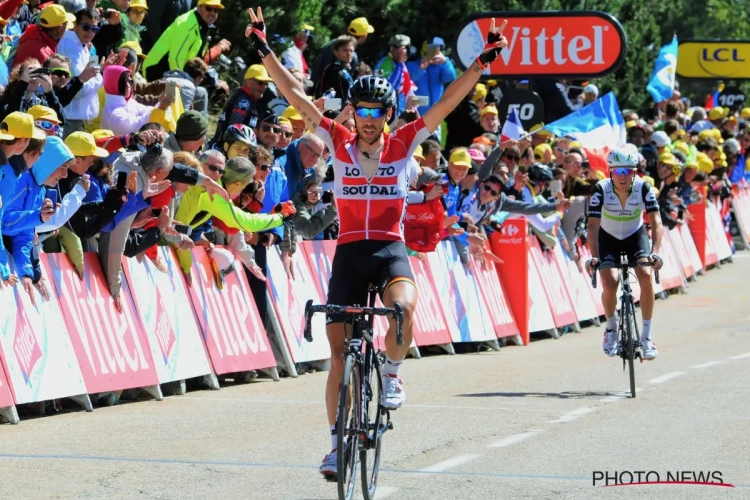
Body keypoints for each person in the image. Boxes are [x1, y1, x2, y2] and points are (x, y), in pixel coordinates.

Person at [246, 7, 509, 476]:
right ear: (355, 112)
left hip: (390, 248)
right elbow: (294, 93)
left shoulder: (404, 142)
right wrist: (264, 48)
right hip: (349, 253)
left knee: (405, 307)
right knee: (336, 356)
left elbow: (447, 101)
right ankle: (333, 446)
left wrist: (480, 65)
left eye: (376, 112)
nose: (367, 119)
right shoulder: (338, 139)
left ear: (388, 115)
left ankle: (391, 371)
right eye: (361, 111)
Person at [585, 146, 665, 361]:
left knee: (646, 275)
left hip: (635, 235)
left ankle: (647, 337)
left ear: (634, 172)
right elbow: (592, 227)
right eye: (619, 171)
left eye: (628, 171)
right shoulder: (601, 189)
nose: (623, 176)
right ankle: (611, 329)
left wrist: (655, 252)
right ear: (611, 172)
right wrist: (594, 256)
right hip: (608, 237)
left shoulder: (643, 187)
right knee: (610, 283)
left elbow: (656, 221)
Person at [142, 0, 232, 82]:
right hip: (156, 72)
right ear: (199, 7)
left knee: (211, 88)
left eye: (216, 10)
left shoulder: (202, 27)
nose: (212, 13)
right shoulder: (187, 24)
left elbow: (196, 60)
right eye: (208, 8)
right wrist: (186, 81)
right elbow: (176, 59)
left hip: (171, 73)